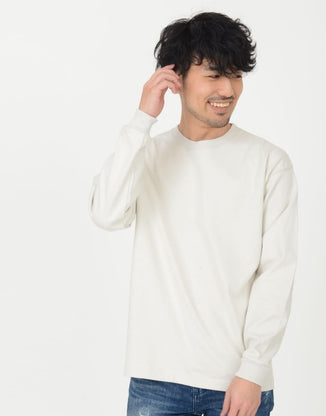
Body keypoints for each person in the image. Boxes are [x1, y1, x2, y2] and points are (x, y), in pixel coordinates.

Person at [89, 11, 298, 416]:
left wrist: (254, 368)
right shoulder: (147, 154)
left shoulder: (269, 162)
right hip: (157, 382)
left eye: (236, 75)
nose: (228, 89)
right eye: (214, 74)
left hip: (237, 383)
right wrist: (143, 118)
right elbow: (107, 213)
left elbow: (277, 272)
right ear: (176, 77)